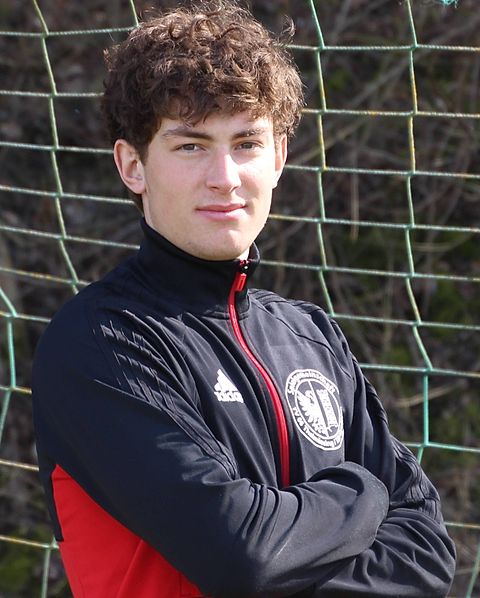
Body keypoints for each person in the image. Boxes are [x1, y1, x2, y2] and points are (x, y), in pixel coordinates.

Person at [32, 2, 456, 597]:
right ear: (133, 166)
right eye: (191, 146)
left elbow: (428, 553)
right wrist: (365, 492)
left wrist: (292, 541)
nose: (225, 177)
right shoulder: (99, 343)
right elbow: (243, 556)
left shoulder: (310, 336)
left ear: (278, 158)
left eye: (247, 143)